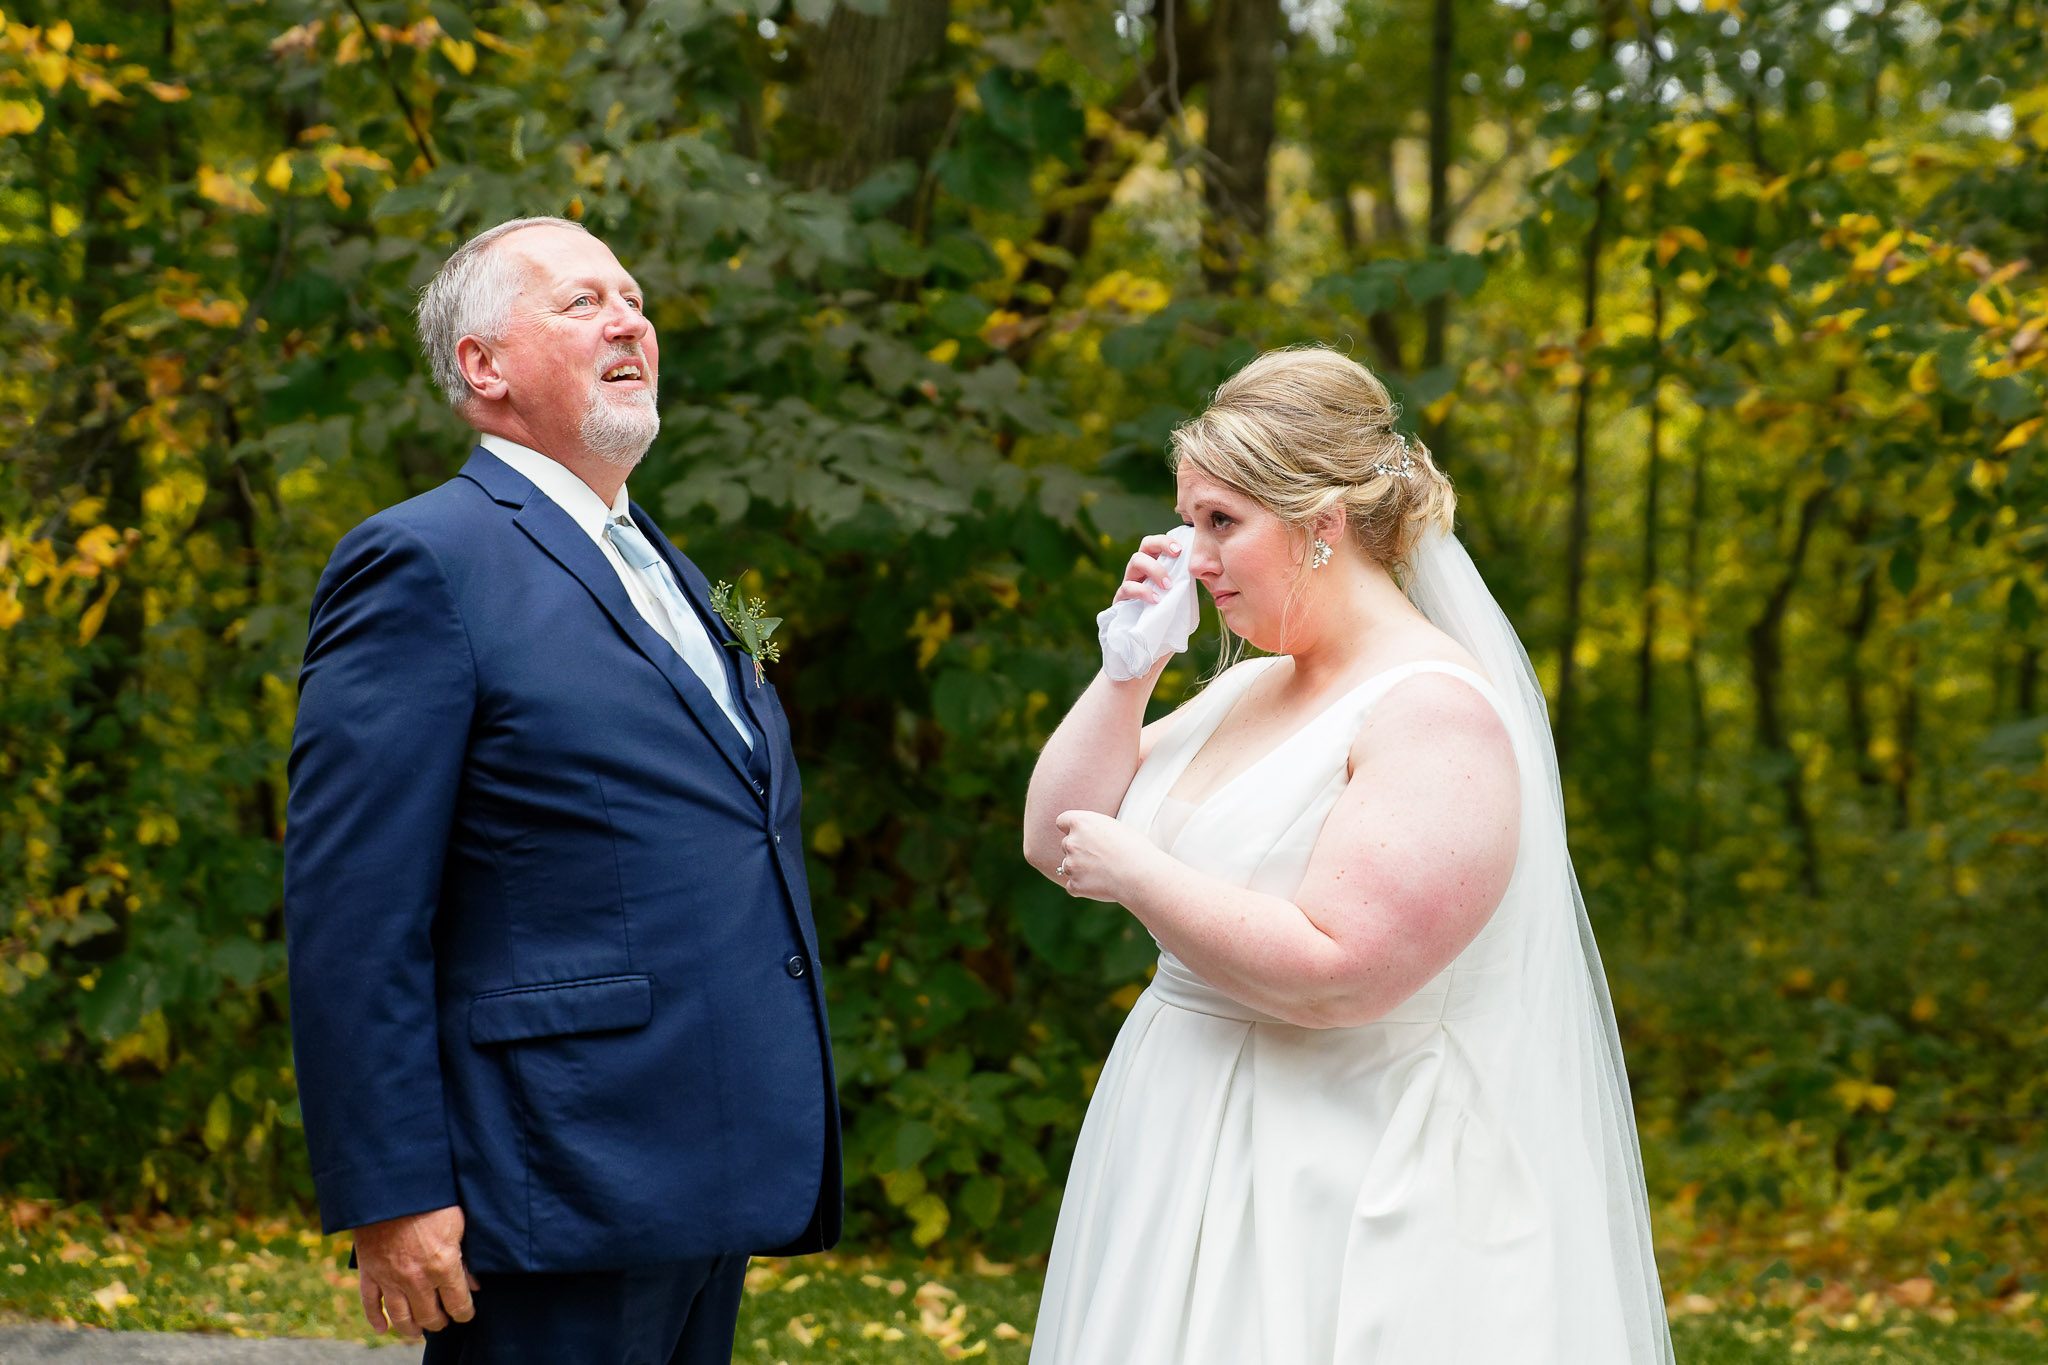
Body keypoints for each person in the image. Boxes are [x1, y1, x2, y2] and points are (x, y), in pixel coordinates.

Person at [1022, 345, 1672, 1363]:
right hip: (1176, 1129)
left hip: (1331, 1161)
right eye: (1189, 520)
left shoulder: (1432, 714)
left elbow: (1343, 974)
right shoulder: (1248, 689)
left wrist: (1142, 875)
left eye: (1221, 522)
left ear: (1322, 525)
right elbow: (1055, 838)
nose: (1191, 557)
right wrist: (1125, 671)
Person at [284, 216, 840, 1363]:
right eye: (580, 301)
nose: (628, 318)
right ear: (482, 366)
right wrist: (390, 1188)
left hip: (707, 1163)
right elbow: (354, 911)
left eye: (632, 298)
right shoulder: (423, 563)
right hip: (556, 1170)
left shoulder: (661, 565)